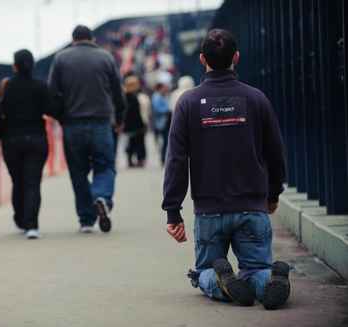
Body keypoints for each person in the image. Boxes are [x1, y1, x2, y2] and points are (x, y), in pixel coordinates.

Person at [162, 29, 289, 310]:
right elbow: (275, 151)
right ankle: (270, 281)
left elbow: (176, 160)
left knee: (204, 271)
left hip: (209, 210)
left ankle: (221, 282)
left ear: (201, 59)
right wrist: (273, 193)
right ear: (237, 57)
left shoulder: (188, 102)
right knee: (257, 269)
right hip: (251, 206)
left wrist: (173, 210)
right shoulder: (256, 99)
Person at [48, 25, 126, 233]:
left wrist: (62, 117)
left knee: (78, 171)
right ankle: (101, 196)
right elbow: (119, 93)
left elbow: (52, 95)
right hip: (101, 123)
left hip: (72, 125)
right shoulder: (106, 58)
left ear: (73, 39)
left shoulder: (61, 59)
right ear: (92, 38)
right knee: (105, 166)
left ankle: (86, 220)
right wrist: (119, 118)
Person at [0, 49, 59, 240]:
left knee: (18, 182)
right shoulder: (40, 86)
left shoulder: (7, 88)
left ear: (14, 66)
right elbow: (52, 109)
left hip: (12, 141)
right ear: (33, 65)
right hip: (36, 140)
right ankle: (32, 226)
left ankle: (20, 219)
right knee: (33, 182)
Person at [123, 75, 147, 168]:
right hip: (137, 124)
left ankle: (130, 159)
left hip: (128, 125)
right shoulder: (136, 97)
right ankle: (140, 159)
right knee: (139, 142)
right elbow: (140, 112)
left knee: (130, 142)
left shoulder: (124, 96)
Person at [151, 78, 171, 165]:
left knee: (165, 141)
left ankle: (164, 158)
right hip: (161, 122)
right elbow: (157, 109)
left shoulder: (161, 96)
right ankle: (163, 159)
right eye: (164, 87)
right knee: (164, 141)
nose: (166, 89)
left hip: (163, 121)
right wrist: (167, 110)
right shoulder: (157, 97)